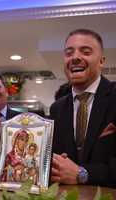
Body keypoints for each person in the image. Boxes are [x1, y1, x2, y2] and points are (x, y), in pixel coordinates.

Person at [50, 29, 116, 188]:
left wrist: (82, 173)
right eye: (69, 53)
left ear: (101, 61)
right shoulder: (56, 109)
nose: (75, 57)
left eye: (85, 52)